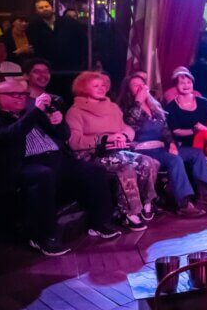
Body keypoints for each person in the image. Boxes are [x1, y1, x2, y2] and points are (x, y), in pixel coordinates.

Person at [0, 78, 121, 255]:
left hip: (55, 158)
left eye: (23, 94)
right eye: (13, 94)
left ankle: (100, 222)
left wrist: (59, 122)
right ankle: (42, 237)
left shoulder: (32, 112)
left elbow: (63, 135)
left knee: (94, 170)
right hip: (25, 164)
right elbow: (8, 136)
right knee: (42, 175)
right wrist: (36, 113)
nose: (20, 97)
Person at [66, 71, 160, 231]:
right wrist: (104, 139)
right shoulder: (75, 111)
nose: (101, 88)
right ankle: (129, 213)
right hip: (92, 154)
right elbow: (74, 142)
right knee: (126, 169)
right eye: (95, 85)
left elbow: (127, 128)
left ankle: (147, 202)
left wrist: (123, 135)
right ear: (83, 88)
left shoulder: (113, 107)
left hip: (116, 151)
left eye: (103, 85)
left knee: (148, 162)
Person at [118, 75, 207, 215]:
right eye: (135, 85)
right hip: (142, 150)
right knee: (174, 160)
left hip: (160, 147)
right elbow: (131, 124)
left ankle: (204, 193)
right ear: (128, 90)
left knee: (196, 153)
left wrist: (172, 144)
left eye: (142, 85)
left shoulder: (154, 106)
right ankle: (184, 204)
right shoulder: (126, 108)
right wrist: (138, 101)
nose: (140, 88)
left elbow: (165, 130)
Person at [26, 0, 58, 64]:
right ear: (36, 11)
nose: (45, 9)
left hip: (67, 64)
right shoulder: (33, 27)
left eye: (47, 6)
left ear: (51, 7)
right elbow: (35, 48)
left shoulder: (66, 22)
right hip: (45, 63)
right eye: (41, 8)